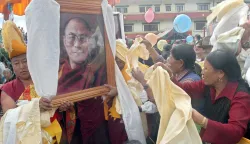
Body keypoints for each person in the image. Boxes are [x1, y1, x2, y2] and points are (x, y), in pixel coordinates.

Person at [157, 49, 250, 144]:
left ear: (220, 73)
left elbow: (235, 131)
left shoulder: (240, 96)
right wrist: (169, 75)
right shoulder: (208, 85)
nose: (202, 72)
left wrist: (203, 121)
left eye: (206, 69)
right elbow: (183, 89)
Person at [58, 17, 108, 144]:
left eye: (83, 38)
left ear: (90, 41)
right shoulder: (55, 74)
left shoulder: (101, 72)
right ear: (64, 40)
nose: (77, 44)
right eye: (71, 37)